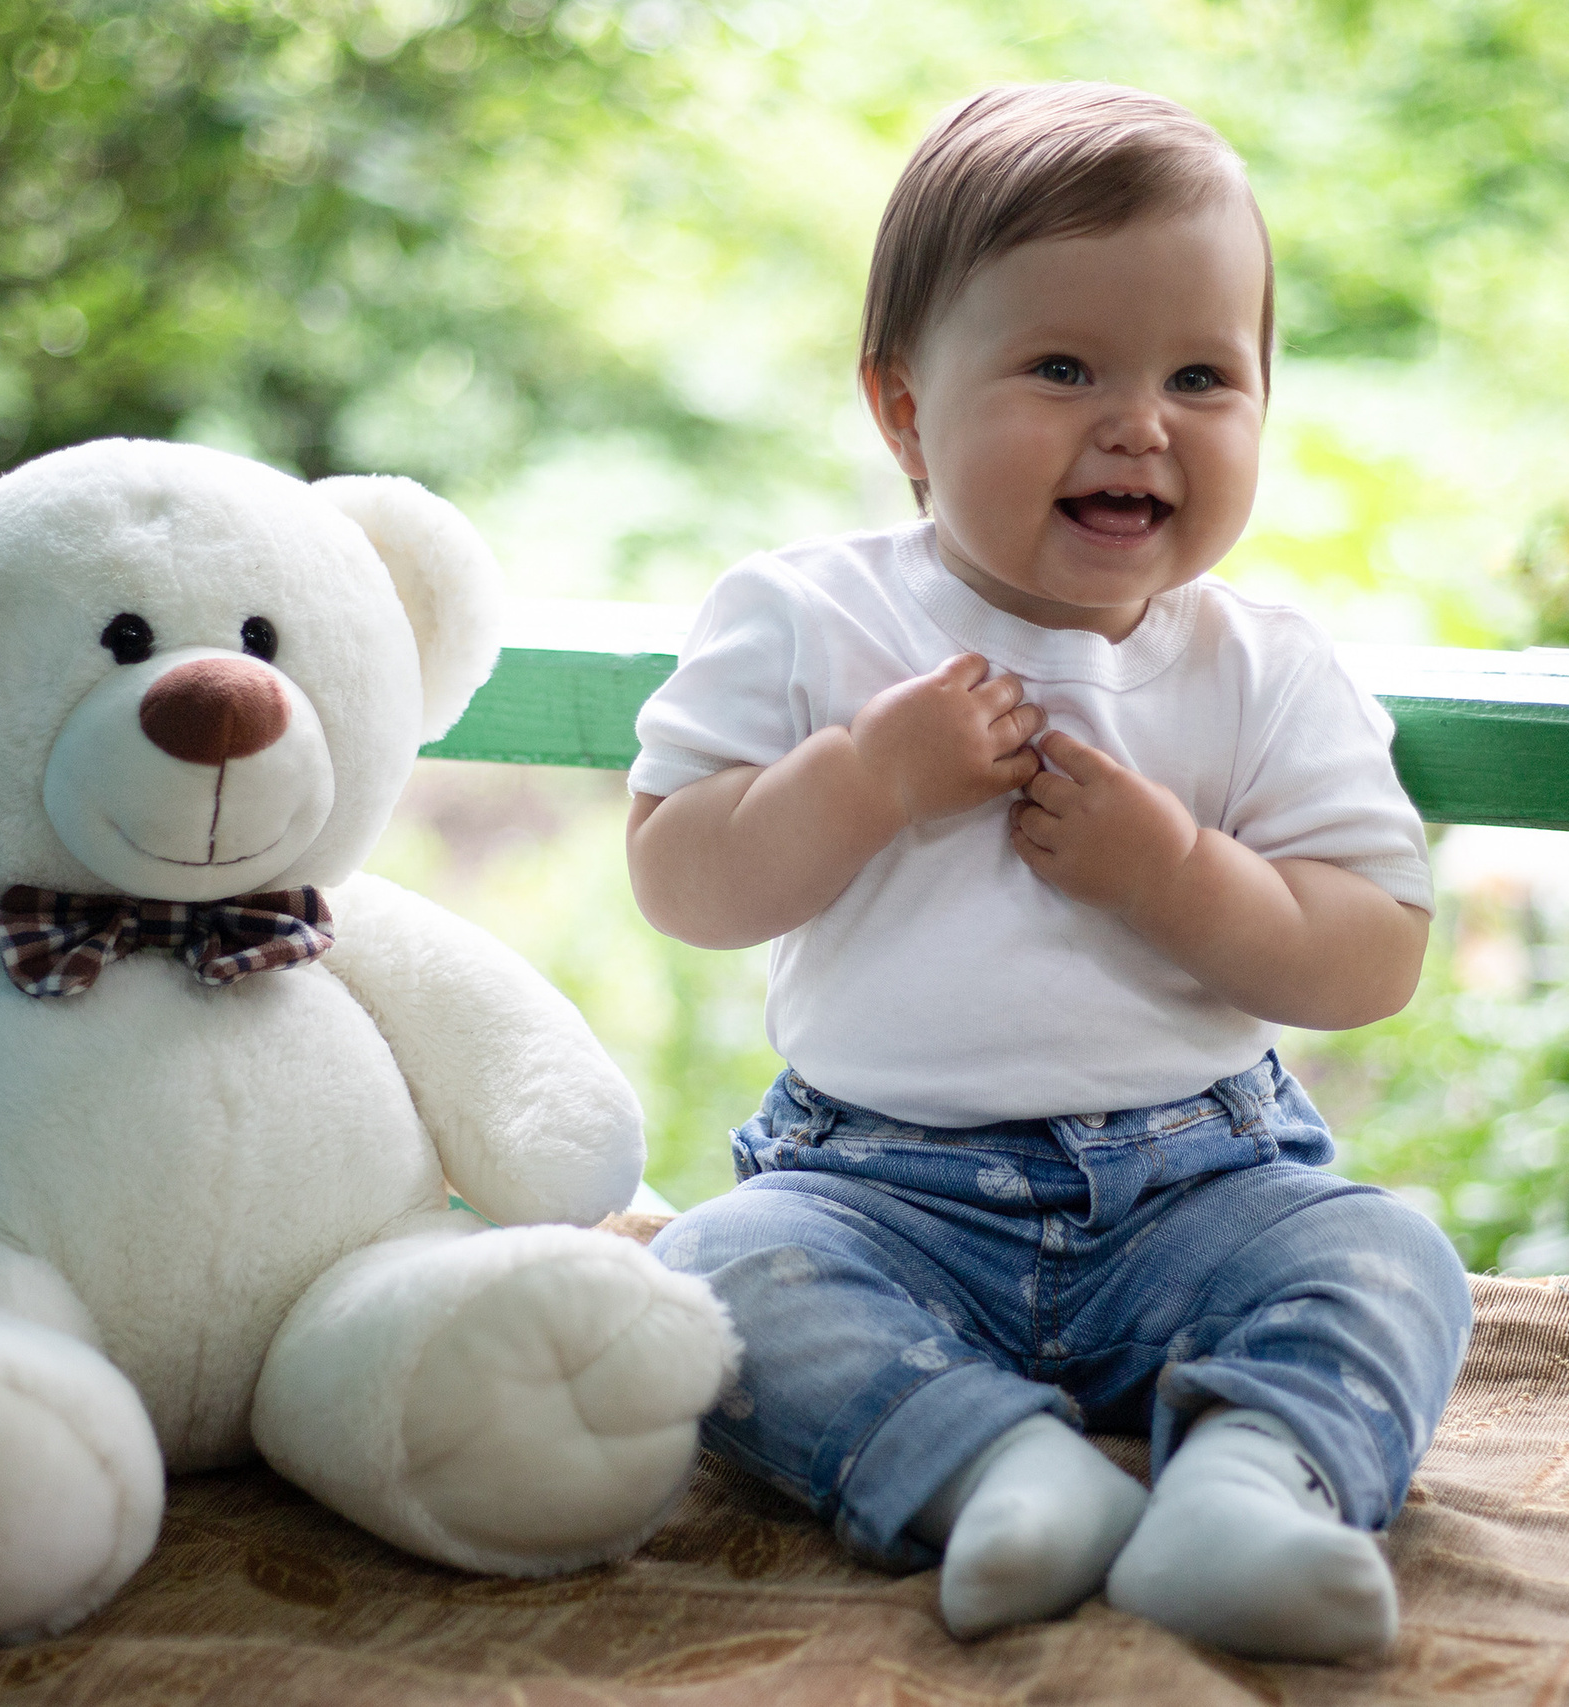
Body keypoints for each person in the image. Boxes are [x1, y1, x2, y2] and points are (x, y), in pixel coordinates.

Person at [622, 81, 1470, 1662]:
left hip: (1203, 1187)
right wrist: (866, 777)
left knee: (1389, 1257)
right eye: (1064, 367)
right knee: (710, 1279)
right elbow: (682, 876)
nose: (1138, 422)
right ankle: (995, 1471)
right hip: (878, 1189)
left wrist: (1176, 875)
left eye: (1202, 375)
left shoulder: (1267, 667)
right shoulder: (814, 622)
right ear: (902, 410)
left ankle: (1248, 1490)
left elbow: (1370, 957)